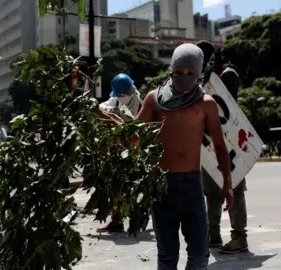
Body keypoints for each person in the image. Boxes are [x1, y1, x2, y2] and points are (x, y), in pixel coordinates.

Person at [136, 43, 234, 269]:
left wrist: (227, 183)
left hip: (192, 187)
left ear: (199, 74)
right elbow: (134, 136)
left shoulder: (206, 104)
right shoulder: (154, 99)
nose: (184, 78)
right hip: (162, 186)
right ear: (171, 69)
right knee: (168, 257)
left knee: (200, 256)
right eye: (179, 72)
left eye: (191, 73)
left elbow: (219, 145)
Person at [196, 40, 248, 254]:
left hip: (229, 142)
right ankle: (213, 234)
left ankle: (239, 237)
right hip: (209, 141)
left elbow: (227, 109)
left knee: (234, 186)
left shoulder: (227, 74)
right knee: (210, 190)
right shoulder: (203, 78)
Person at [97, 73, 142, 233]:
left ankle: (135, 220)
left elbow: (133, 124)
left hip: (133, 151)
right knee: (116, 187)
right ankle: (116, 221)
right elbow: (103, 108)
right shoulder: (116, 100)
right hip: (117, 149)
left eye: (122, 95)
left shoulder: (138, 103)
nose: (120, 97)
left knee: (131, 188)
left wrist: (116, 114)